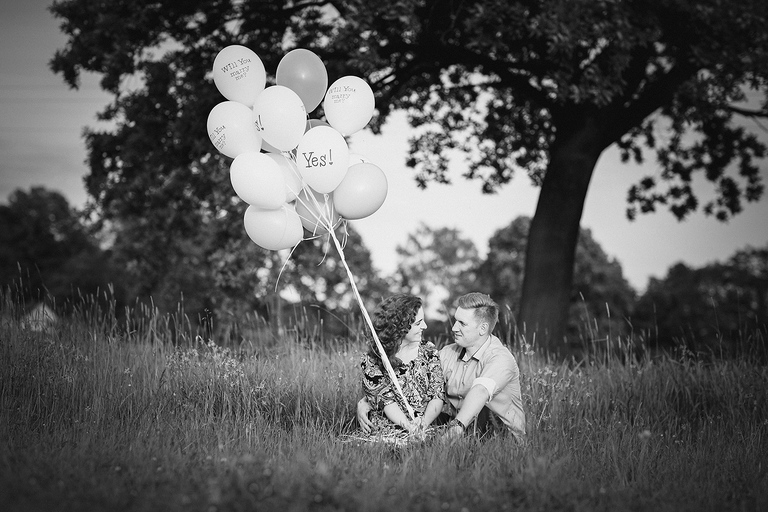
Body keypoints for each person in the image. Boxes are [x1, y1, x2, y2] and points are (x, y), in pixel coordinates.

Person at [358, 292, 526, 441]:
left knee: (483, 413)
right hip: (463, 431)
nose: (454, 328)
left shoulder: (501, 358)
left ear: (483, 328)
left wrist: (457, 426)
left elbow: (481, 391)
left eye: (462, 323)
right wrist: (368, 401)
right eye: (455, 321)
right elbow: (420, 380)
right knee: (421, 423)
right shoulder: (448, 353)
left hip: (499, 434)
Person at [357, 293, 445, 439]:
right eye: (418, 323)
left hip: (425, 426)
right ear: (400, 326)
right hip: (387, 430)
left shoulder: (429, 350)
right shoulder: (373, 358)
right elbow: (386, 401)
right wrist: (409, 427)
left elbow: (437, 394)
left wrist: (422, 424)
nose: (425, 326)